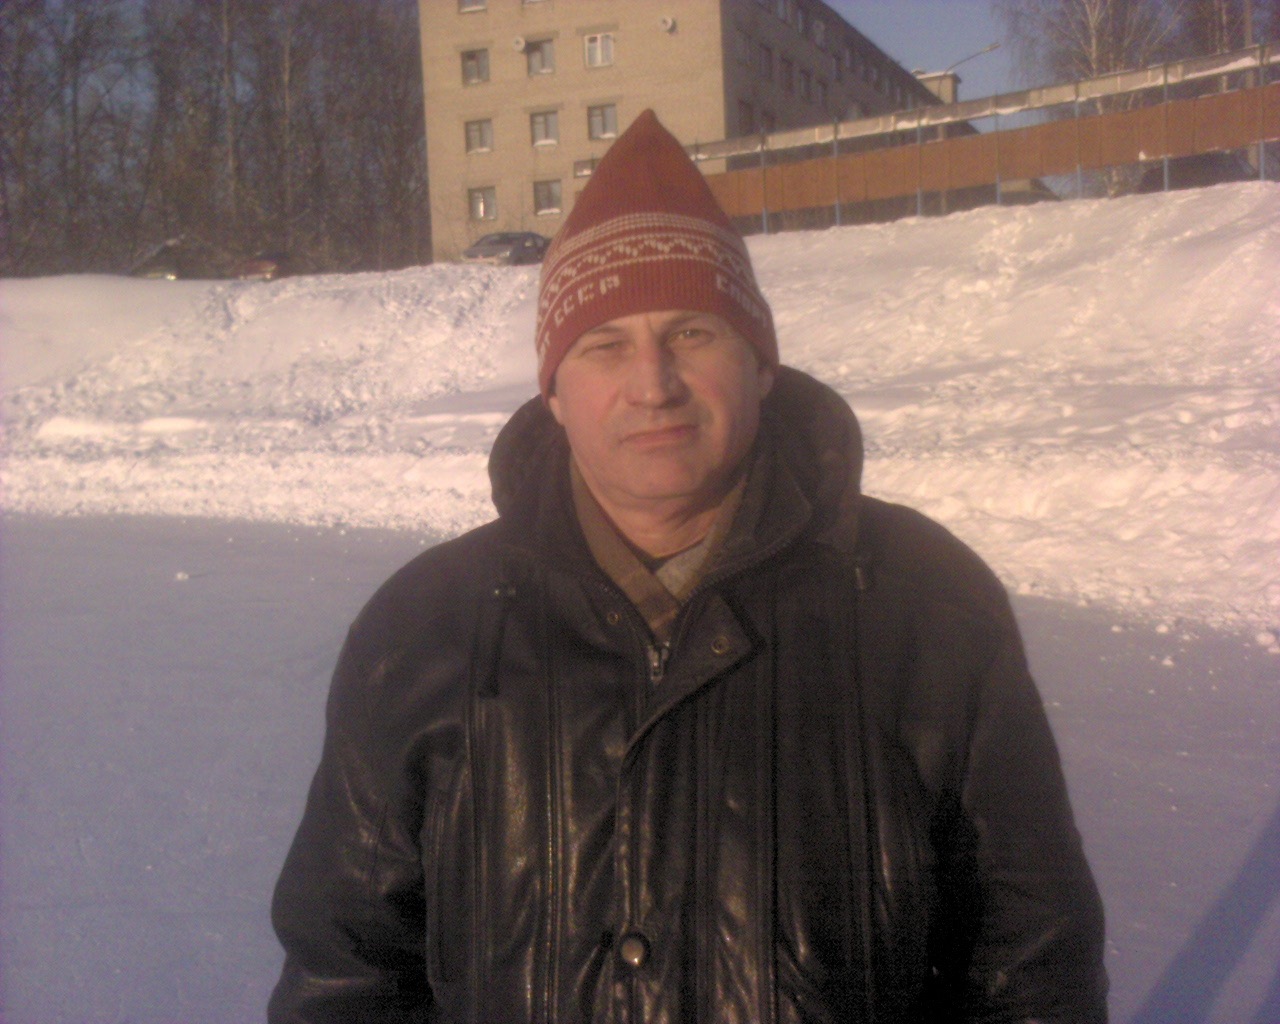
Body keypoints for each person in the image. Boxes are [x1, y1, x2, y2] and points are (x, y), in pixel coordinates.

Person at [269, 110, 1107, 1023]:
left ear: (761, 365)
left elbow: (1033, 963)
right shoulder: (425, 625)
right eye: (605, 345)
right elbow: (347, 973)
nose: (653, 384)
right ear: (555, 392)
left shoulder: (927, 603)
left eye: (693, 334)